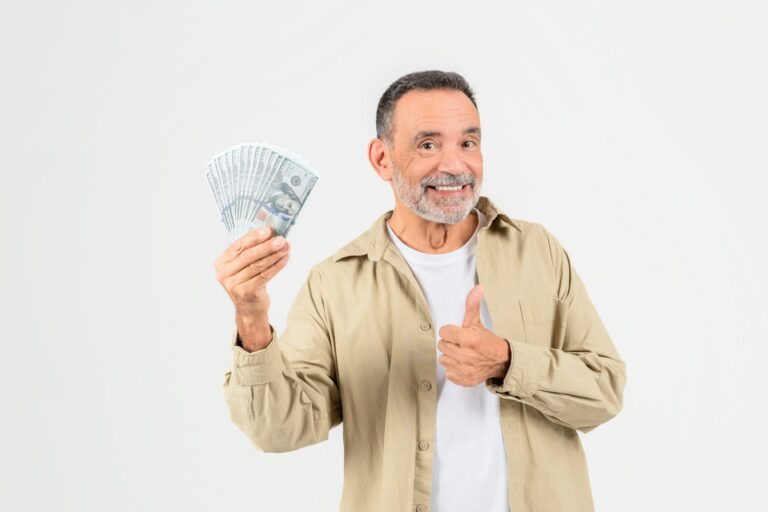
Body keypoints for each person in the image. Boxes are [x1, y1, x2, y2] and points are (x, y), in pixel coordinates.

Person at [215, 70, 627, 512]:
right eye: (428, 145)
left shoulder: (538, 252)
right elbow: (278, 429)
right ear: (382, 158)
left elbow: (604, 394)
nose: (454, 165)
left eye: (468, 143)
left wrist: (508, 361)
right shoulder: (335, 283)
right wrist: (251, 317)